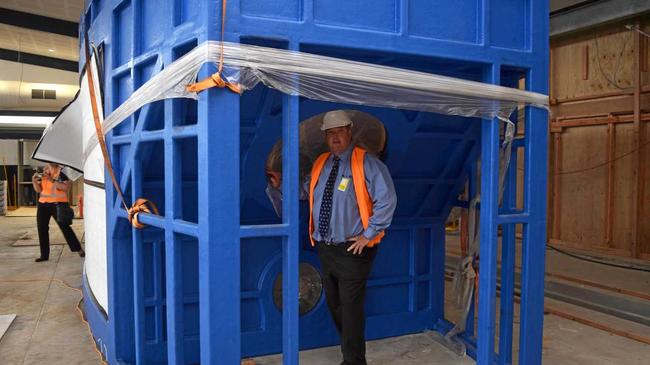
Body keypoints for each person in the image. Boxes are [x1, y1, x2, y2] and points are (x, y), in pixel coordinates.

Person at [308, 110, 396, 365]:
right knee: (335, 304)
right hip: (326, 247)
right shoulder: (321, 162)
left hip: (353, 249)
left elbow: (387, 199)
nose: (335, 137)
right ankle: (350, 350)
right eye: (330, 133)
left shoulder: (366, 162)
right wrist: (279, 184)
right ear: (326, 136)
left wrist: (369, 235)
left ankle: (354, 361)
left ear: (349, 132)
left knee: (350, 308)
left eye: (340, 131)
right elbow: (309, 191)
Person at [32, 163, 84, 262]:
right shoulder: (45, 170)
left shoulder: (62, 171)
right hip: (43, 204)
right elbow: (39, 190)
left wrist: (51, 180)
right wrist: (34, 182)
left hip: (58, 204)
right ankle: (44, 255)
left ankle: (78, 248)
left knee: (65, 227)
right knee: (41, 228)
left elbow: (65, 188)